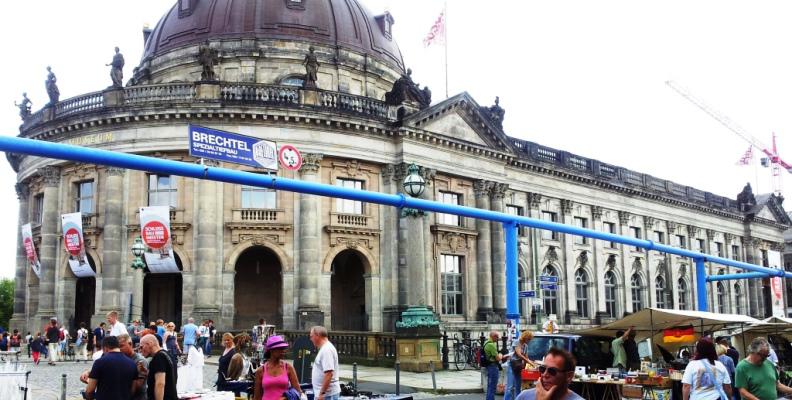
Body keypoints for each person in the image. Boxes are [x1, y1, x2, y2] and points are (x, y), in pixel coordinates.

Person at [515, 348, 584, 400]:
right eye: (543, 369)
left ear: (569, 376)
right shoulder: (524, 396)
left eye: (552, 371)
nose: (545, 374)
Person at [83, 335, 137, 400]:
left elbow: (90, 391)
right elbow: (133, 389)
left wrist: (88, 397)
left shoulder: (99, 362)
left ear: (105, 348)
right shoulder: (132, 363)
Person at [253, 335, 303, 400]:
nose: (283, 351)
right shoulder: (261, 370)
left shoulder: (288, 367)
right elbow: (257, 397)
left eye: (283, 348)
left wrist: (285, 398)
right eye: (280, 348)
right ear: (271, 350)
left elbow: (298, 391)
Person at [140, 334, 178, 400]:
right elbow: (168, 378)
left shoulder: (158, 358)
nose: (140, 350)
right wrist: (148, 373)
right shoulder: (167, 354)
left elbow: (160, 384)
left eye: (141, 347)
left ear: (150, 344)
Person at [310, 326, 340, 400]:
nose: (311, 339)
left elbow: (329, 373)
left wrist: (321, 394)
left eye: (311, 336)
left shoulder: (327, 350)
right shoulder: (325, 348)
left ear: (317, 335)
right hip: (326, 395)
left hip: (328, 395)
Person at [506, 330, 535, 400]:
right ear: (525, 337)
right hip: (512, 365)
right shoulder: (517, 342)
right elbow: (519, 354)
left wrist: (533, 363)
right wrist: (529, 362)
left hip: (519, 366)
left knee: (518, 386)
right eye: (529, 339)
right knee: (510, 387)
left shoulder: (526, 346)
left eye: (530, 339)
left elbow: (526, 357)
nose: (529, 341)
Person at [118, 334, 148, 400]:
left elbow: (138, 386)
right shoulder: (121, 359)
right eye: (118, 347)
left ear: (130, 344)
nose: (119, 349)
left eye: (121, 346)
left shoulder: (140, 361)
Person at [483, 330, 503, 400]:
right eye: (497, 337)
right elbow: (498, 358)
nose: (498, 339)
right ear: (494, 336)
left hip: (489, 366)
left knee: (489, 386)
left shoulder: (486, 343)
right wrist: (500, 355)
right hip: (493, 366)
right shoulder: (491, 345)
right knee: (493, 386)